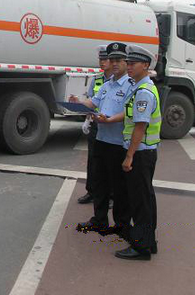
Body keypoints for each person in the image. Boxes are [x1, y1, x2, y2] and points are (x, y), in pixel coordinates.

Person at [71, 42, 134, 233]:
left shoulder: (131, 85)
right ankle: (99, 220)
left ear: (126, 62)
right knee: (99, 184)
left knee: (119, 187)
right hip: (101, 139)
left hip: (118, 143)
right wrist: (79, 103)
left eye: (118, 60)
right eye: (111, 60)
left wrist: (111, 119)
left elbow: (129, 112)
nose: (114, 64)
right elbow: (93, 102)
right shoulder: (106, 85)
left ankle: (122, 226)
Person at [108, 45, 160, 261]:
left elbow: (140, 126)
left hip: (140, 153)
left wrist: (129, 156)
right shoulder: (140, 87)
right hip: (144, 152)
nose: (128, 67)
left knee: (140, 202)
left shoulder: (144, 92)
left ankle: (141, 248)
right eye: (127, 63)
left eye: (133, 63)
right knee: (146, 198)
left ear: (145, 66)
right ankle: (149, 242)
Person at [77, 45, 112, 204]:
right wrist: (86, 117)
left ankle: (111, 195)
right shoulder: (97, 79)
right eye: (100, 59)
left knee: (109, 163)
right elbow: (91, 101)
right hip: (96, 124)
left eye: (105, 59)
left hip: (111, 125)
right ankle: (91, 191)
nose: (102, 62)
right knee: (93, 161)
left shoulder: (119, 80)